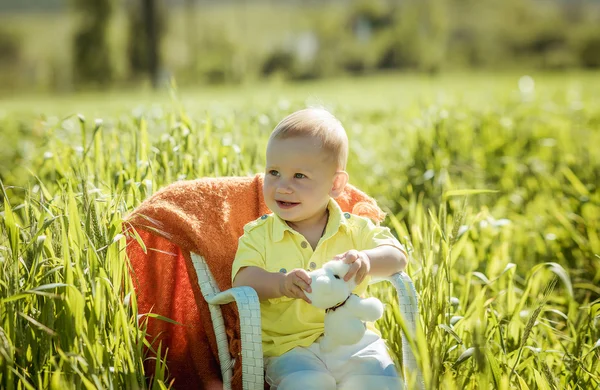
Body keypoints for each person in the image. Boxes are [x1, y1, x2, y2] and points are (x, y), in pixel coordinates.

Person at [232, 107, 408, 390]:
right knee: (309, 384)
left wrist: (366, 260)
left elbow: (397, 256)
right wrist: (281, 284)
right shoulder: (259, 233)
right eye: (274, 172)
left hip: (353, 340)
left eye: (299, 176)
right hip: (288, 347)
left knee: (378, 379)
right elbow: (243, 280)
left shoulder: (354, 228)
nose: (282, 187)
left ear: (336, 184)